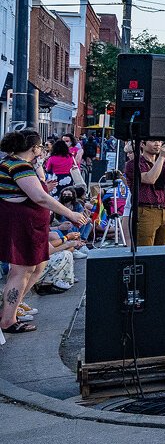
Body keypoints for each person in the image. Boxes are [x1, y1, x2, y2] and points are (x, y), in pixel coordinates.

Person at [0, 130, 89, 333]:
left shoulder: (17, 164)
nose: (42, 150)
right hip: (23, 227)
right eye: (40, 147)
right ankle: (8, 319)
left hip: (30, 226)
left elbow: (36, 189)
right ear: (34, 148)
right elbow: (40, 197)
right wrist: (71, 214)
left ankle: (10, 309)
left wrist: (40, 168)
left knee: (38, 266)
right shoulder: (19, 165)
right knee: (20, 271)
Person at [133, 139, 165, 246]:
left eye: (159, 141)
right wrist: (161, 157)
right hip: (146, 210)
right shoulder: (134, 163)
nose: (158, 144)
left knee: (161, 250)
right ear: (142, 144)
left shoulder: (163, 163)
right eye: (153, 141)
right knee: (145, 249)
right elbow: (150, 179)